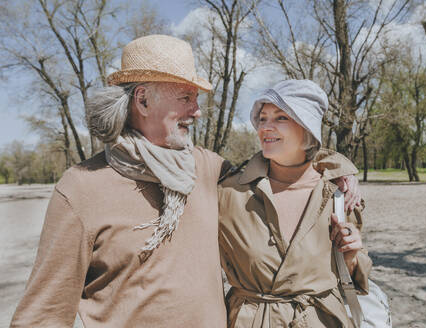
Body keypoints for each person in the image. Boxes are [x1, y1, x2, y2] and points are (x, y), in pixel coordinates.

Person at [10, 35, 360, 327]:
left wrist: (339, 166)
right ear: (143, 99)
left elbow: (284, 161)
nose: (197, 110)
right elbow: (43, 313)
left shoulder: (207, 169)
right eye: (186, 97)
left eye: (197, 98)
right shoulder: (82, 187)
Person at [218, 79, 372, 327]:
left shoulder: (338, 194)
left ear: (308, 129)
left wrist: (352, 256)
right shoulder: (228, 192)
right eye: (263, 118)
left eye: (280, 118)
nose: (265, 127)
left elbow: (355, 276)